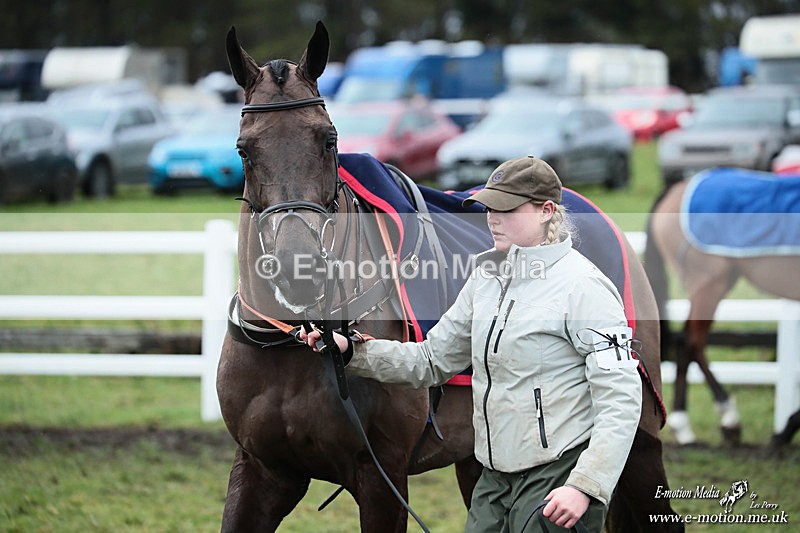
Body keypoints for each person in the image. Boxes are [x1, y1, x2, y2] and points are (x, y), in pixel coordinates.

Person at [301, 156, 642, 532]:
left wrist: (585, 485)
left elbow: (621, 397)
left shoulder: (584, 287)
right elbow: (431, 361)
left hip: (558, 476)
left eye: (506, 208)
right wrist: (352, 352)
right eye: (488, 207)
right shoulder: (486, 276)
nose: (491, 218)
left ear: (547, 211)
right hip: (494, 480)